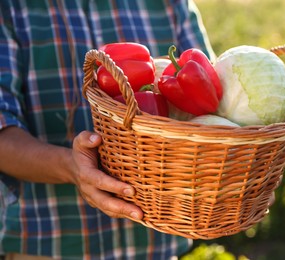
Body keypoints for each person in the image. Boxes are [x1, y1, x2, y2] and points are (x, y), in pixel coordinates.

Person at [0, 0, 216, 259]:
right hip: (51, 243)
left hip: (156, 244)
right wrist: (72, 166)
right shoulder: (11, 7)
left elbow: (214, 102)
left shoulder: (169, 3)